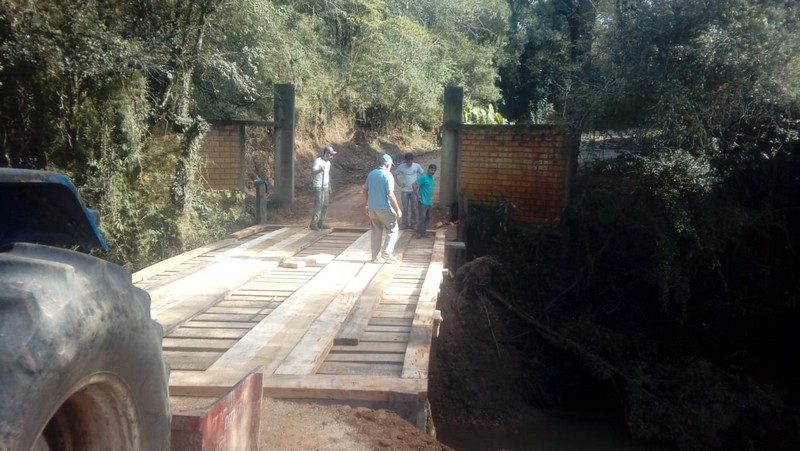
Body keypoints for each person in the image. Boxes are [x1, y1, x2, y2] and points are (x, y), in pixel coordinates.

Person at [363, 154, 403, 263]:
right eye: (390, 165)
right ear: (388, 164)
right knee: (393, 230)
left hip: (372, 208)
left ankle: (375, 257)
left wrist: (366, 205)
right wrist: (398, 209)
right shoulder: (387, 175)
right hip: (384, 208)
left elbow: (364, 191)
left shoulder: (371, 174)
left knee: (376, 232)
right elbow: (390, 193)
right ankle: (386, 252)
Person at [393, 152, 424, 230]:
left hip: (414, 191)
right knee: (405, 208)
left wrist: (419, 184)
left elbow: (423, 175)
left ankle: (414, 224)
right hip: (405, 190)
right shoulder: (402, 167)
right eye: (407, 161)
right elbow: (395, 174)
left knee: (414, 208)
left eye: (410, 161)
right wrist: (399, 183)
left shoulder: (417, 166)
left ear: (412, 160)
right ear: (405, 161)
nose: (409, 163)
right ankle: (404, 224)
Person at [310, 146, 336, 230]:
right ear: (326, 153)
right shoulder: (318, 161)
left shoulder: (328, 163)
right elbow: (313, 172)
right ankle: (314, 224)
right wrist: (320, 170)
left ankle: (321, 222)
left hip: (325, 186)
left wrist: (329, 186)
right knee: (319, 205)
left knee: (325, 204)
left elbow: (327, 175)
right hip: (318, 185)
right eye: (331, 154)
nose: (332, 156)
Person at [413, 163, 437, 238]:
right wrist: (417, 195)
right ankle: (418, 233)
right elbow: (414, 184)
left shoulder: (432, 178)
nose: (432, 172)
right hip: (423, 201)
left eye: (434, 170)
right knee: (422, 217)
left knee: (428, 217)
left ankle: (423, 232)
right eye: (431, 170)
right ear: (428, 169)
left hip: (429, 201)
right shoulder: (424, 177)